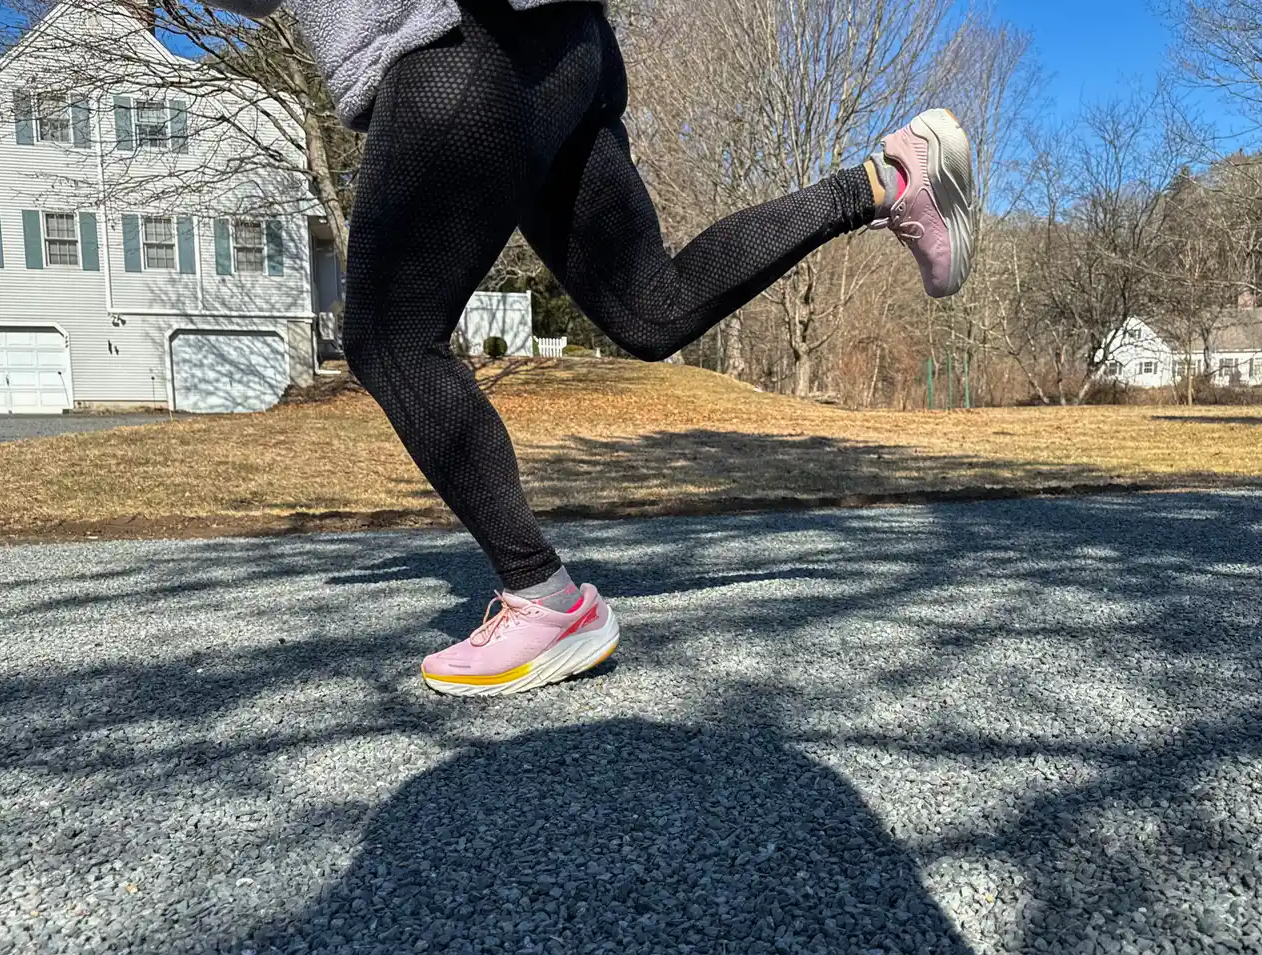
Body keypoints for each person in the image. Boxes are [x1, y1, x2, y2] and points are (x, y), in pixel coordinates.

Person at [212, 0, 978, 697]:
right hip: (564, 44)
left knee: (389, 340)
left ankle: (545, 599)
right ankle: (887, 179)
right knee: (652, 310)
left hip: (453, 41)